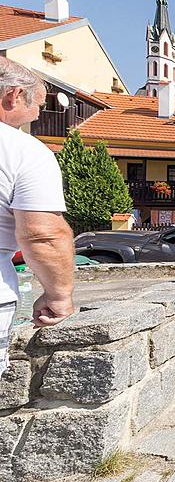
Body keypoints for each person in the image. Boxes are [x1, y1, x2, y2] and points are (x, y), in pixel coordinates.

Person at [0, 58, 75, 375]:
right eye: (41, 105)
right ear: (14, 96)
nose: (39, 115)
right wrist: (59, 295)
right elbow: (43, 236)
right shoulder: (23, 150)